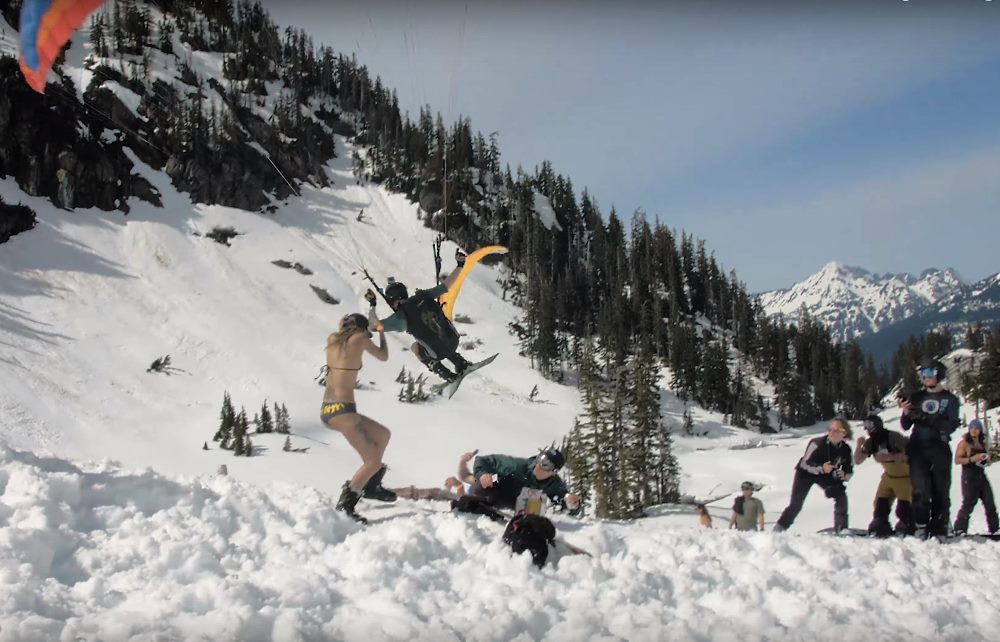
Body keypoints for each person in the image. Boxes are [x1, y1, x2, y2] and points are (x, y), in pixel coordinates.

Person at [322, 311, 397, 523]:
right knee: (372, 461)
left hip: (330, 409)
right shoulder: (361, 338)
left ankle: (371, 485)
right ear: (362, 329)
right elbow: (383, 356)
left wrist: (344, 323)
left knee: (382, 435)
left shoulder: (332, 339)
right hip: (343, 411)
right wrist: (381, 331)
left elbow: (341, 329)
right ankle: (347, 504)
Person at [369, 248, 472, 382]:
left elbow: (373, 326)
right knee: (438, 336)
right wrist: (460, 265)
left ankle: (447, 375)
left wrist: (372, 305)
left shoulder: (401, 317)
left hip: (437, 352)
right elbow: (447, 286)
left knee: (416, 347)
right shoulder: (424, 296)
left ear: (394, 301)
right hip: (453, 340)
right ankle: (461, 363)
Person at [899, 357, 961, 538]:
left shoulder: (950, 399)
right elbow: (905, 425)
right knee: (920, 489)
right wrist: (905, 413)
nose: (925, 377)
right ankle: (920, 526)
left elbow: (951, 425)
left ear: (938, 374)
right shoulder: (916, 397)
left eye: (929, 373)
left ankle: (939, 527)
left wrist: (928, 419)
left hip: (940, 448)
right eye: (922, 373)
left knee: (941, 490)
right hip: (918, 448)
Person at [773, 418, 854, 533]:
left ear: (844, 433)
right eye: (830, 429)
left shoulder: (846, 450)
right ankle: (779, 528)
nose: (831, 433)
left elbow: (849, 470)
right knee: (796, 504)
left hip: (824, 475)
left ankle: (842, 528)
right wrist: (821, 468)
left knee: (840, 495)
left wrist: (844, 475)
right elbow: (805, 463)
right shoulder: (817, 443)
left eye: (836, 430)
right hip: (805, 473)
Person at [458, 447, 582, 514]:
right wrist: (482, 474)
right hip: (495, 489)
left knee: (536, 497)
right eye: (541, 458)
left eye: (546, 464)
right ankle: (479, 501)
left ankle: (526, 520)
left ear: (553, 472)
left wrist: (572, 505)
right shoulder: (515, 466)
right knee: (488, 479)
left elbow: (565, 504)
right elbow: (482, 461)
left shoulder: (553, 483)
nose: (539, 464)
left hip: (516, 505)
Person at [853, 414, 913, 537]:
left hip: (905, 477)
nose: (867, 429)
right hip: (889, 477)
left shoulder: (893, 437)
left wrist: (890, 457)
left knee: (903, 509)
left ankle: (907, 524)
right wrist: (859, 445)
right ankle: (881, 525)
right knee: (880, 505)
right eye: (866, 426)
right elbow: (858, 460)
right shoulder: (871, 442)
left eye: (869, 426)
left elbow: (910, 454)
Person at [953, 419, 998, 536]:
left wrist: (986, 460)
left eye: (976, 428)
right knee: (969, 502)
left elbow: (986, 460)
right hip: (969, 476)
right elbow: (957, 460)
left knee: (989, 502)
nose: (973, 431)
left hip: (981, 475)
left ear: (980, 430)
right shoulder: (964, 443)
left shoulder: (983, 443)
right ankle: (959, 528)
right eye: (971, 428)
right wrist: (972, 459)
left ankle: (995, 528)